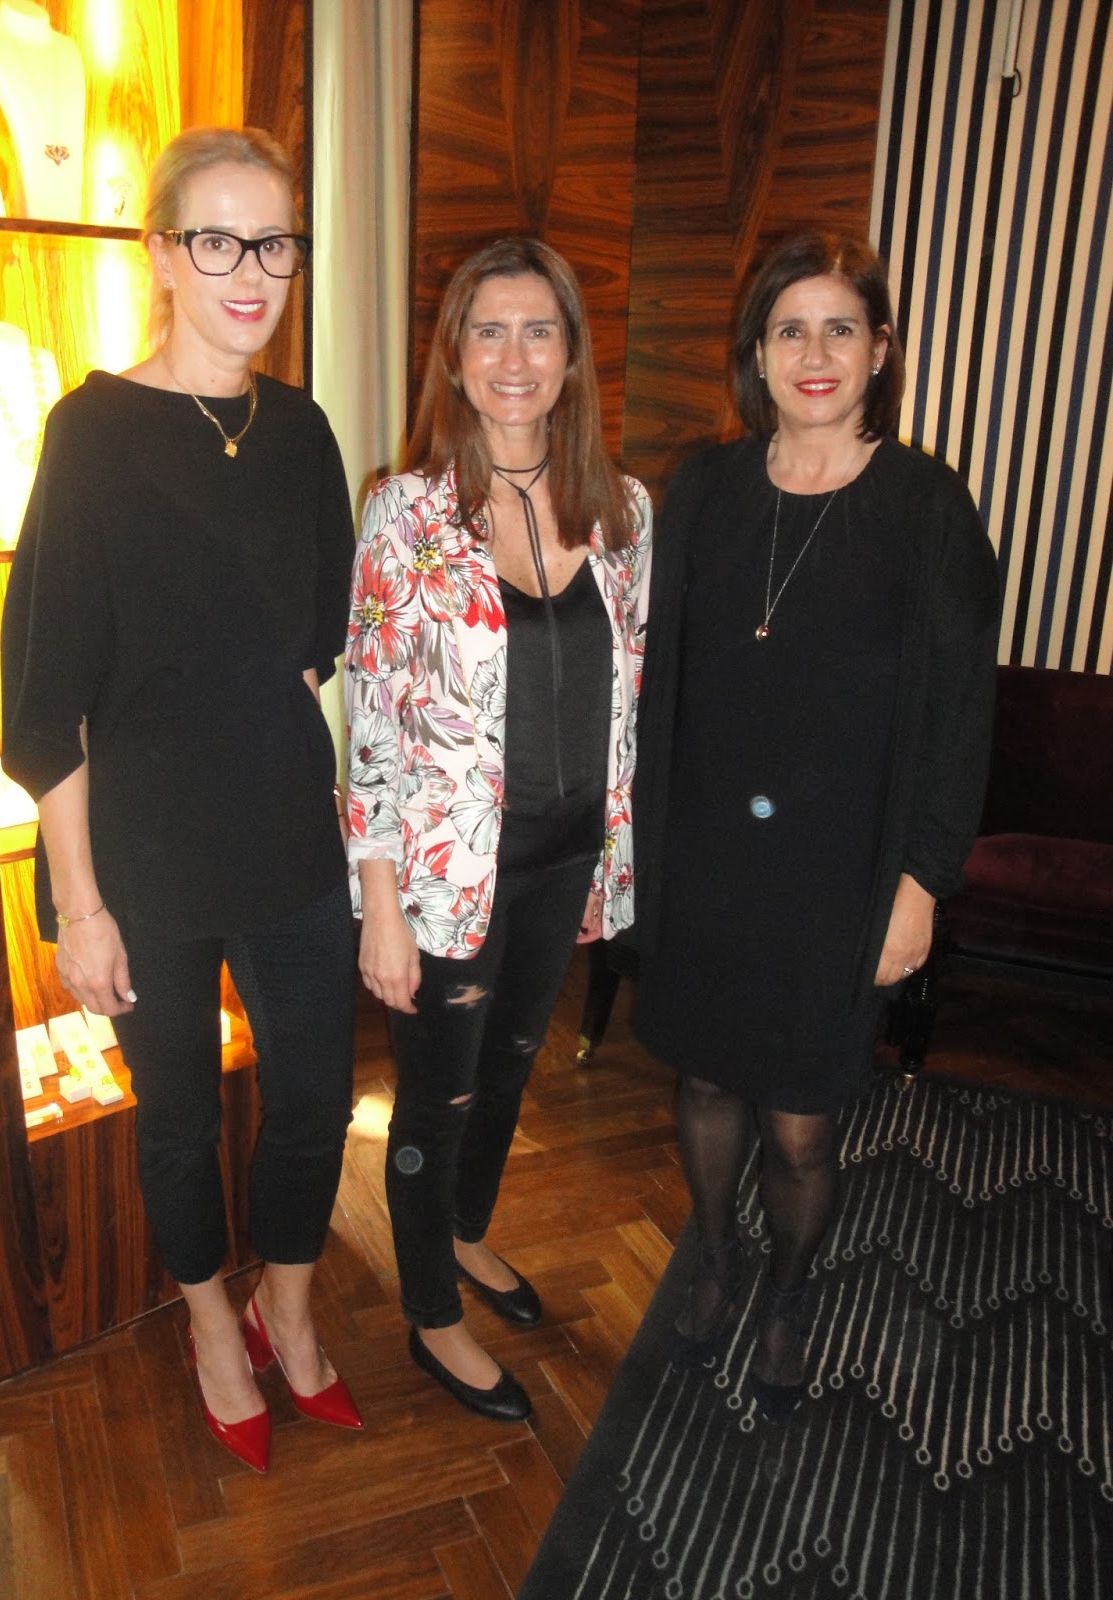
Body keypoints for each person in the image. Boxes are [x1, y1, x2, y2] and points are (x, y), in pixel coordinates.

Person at [1, 127, 362, 1475]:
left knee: (317, 1094)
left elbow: (318, 643)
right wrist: (80, 904)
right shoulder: (91, 434)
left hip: (288, 833)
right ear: (161, 255)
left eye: (273, 241)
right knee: (180, 1120)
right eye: (216, 240)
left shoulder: (301, 430)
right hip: (146, 856)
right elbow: (47, 700)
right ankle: (213, 1323)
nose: (250, 270)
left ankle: (289, 1305)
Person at [633, 231, 999, 1423]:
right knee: (704, 1079)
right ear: (756, 354)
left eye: (841, 326)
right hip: (706, 856)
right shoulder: (704, 488)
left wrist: (921, 884)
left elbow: (961, 716)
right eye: (789, 328)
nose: (815, 351)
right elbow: (650, 669)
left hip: (839, 875)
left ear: (880, 349)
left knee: (800, 1124)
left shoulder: (928, 507)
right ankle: (716, 1260)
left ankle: (788, 1292)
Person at [345, 237, 652, 1422]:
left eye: (538, 331)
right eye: (489, 330)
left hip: (567, 856)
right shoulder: (406, 512)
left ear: (571, 355)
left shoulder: (624, 511)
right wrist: (379, 901)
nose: (514, 357)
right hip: (444, 876)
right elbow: (373, 716)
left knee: (513, 1065)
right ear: (456, 356)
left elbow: (630, 692)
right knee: (437, 1097)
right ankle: (431, 1312)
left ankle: (467, 1231)